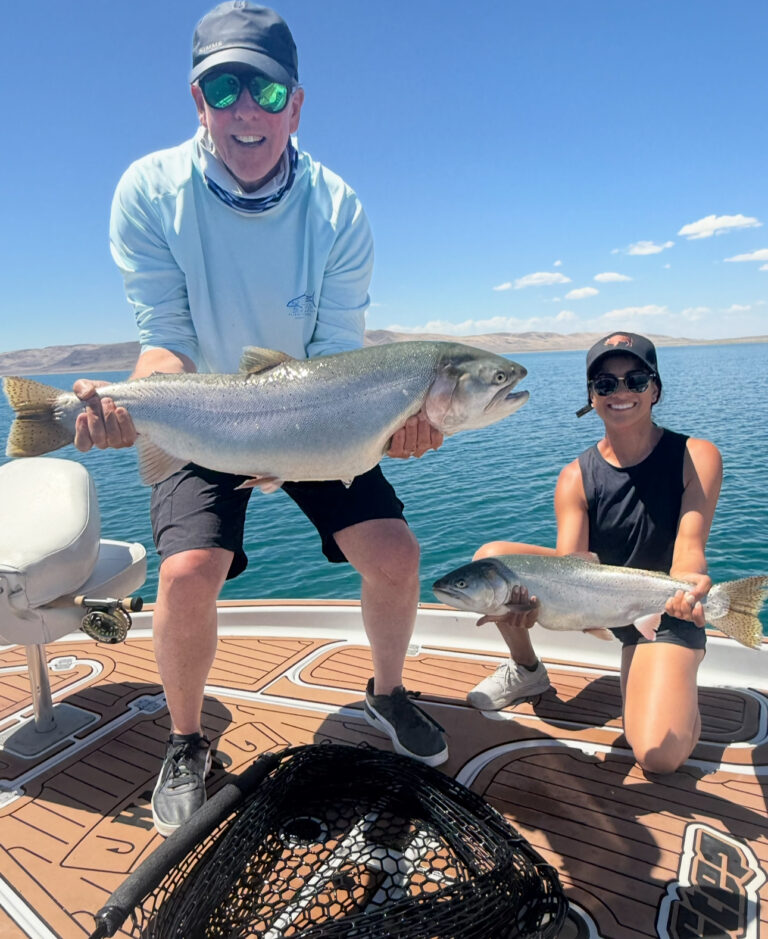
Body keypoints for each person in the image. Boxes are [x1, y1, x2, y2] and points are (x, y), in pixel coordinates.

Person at [73, 1, 447, 837]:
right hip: (207, 409)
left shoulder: (338, 208)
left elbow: (340, 350)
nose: (248, 109)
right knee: (183, 573)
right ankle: (185, 740)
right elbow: (163, 339)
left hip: (321, 411)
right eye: (225, 87)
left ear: (297, 103)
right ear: (198, 101)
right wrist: (128, 408)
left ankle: (386, 692)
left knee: (394, 554)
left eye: (267, 91)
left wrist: (395, 425)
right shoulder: (147, 192)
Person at [467, 331, 723, 775]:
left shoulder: (695, 456)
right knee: (490, 560)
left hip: (664, 613)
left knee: (658, 758)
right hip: (598, 598)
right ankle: (527, 669)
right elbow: (571, 568)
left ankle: (678, 669)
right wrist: (534, 606)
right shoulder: (574, 477)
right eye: (606, 383)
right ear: (592, 395)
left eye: (635, 380)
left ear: (655, 389)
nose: (621, 392)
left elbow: (688, 550)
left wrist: (690, 589)